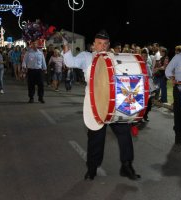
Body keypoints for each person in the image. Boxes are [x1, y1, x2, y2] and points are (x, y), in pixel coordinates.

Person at [63, 30, 141, 180]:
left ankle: (126, 165)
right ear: (93, 45)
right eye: (99, 43)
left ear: (109, 45)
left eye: (105, 44)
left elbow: (127, 77)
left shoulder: (114, 58)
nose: (102, 47)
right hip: (95, 104)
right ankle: (92, 169)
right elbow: (69, 62)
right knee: (95, 137)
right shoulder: (86, 57)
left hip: (114, 104)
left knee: (124, 132)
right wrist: (66, 45)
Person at [165, 47, 181, 145]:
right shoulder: (178, 57)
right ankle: (178, 135)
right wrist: (172, 77)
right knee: (178, 112)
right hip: (180, 88)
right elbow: (168, 70)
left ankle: (178, 127)